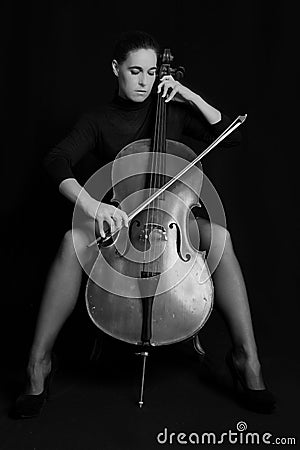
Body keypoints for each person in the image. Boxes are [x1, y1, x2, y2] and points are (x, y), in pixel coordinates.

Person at [15, 30, 276, 418]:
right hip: (123, 228)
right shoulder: (98, 120)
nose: (144, 81)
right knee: (72, 240)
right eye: (134, 71)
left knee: (219, 236)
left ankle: (246, 360)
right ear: (115, 69)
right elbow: (56, 160)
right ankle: (38, 364)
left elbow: (227, 137)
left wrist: (189, 95)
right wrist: (92, 206)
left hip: (174, 226)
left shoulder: (173, 110)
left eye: (151, 72)